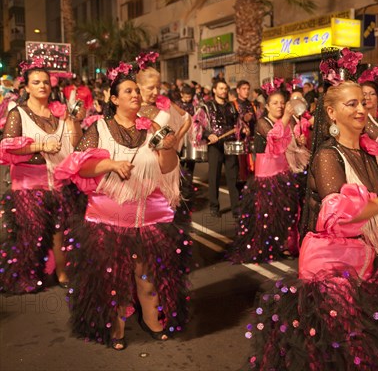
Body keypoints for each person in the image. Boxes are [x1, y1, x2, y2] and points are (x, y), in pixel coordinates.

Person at [246, 81, 378, 370]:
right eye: (351, 103)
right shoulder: (327, 156)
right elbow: (341, 216)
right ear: (331, 112)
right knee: (338, 353)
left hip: (366, 262)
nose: (360, 109)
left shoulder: (372, 153)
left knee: (367, 349)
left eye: (362, 102)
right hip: (330, 267)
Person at [55, 65, 190, 350]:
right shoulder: (100, 128)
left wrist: (168, 147)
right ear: (114, 99)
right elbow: (80, 165)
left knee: (147, 274)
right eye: (128, 91)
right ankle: (115, 327)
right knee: (112, 278)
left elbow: (167, 168)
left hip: (149, 216)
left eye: (137, 91)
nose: (136, 95)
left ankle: (152, 320)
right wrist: (110, 164)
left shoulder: (153, 127)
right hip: (109, 217)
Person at [0, 60, 83, 293]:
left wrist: (74, 120)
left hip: (58, 181)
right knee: (31, 233)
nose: (42, 86)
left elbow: (74, 144)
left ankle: (62, 271)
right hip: (28, 183)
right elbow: (7, 146)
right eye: (36, 82)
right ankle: (24, 275)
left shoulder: (58, 112)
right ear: (26, 87)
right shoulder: (18, 113)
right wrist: (39, 145)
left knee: (60, 230)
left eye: (46, 82)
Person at [228, 91, 308, 263]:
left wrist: (299, 140)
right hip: (267, 173)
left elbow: (289, 142)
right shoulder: (263, 123)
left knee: (287, 211)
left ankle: (287, 245)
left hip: (284, 170)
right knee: (267, 213)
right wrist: (287, 116)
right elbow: (275, 136)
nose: (279, 106)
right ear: (268, 107)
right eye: (275, 103)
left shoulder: (288, 121)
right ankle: (265, 246)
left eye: (281, 102)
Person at [203, 79, 241, 218]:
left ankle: (236, 208)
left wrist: (242, 128)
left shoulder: (232, 106)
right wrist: (208, 134)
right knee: (214, 177)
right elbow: (198, 124)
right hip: (215, 145)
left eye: (225, 88)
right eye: (220, 88)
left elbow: (238, 123)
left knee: (233, 177)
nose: (223, 91)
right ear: (214, 90)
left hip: (230, 143)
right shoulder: (206, 107)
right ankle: (214, 207)